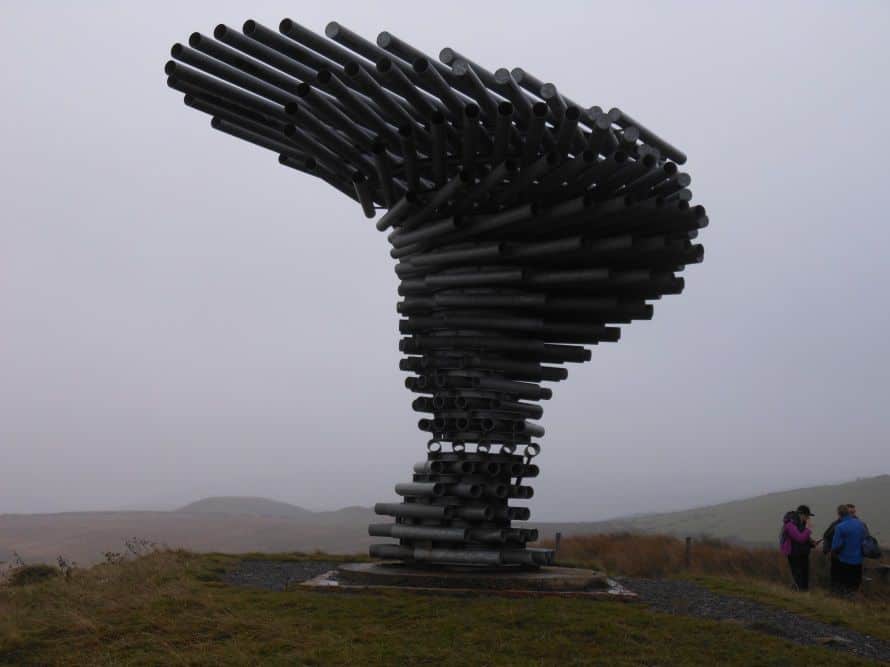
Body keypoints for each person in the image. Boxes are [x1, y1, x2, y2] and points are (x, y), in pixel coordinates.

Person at [831, 506, 867, 593]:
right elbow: (865, 540)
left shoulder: (839, 527)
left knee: (845, 586)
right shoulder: (860, 524)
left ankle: (845, 603)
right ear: (848, 513)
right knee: (855, 586)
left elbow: (835, 546)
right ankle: (854, 602)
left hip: (845, 560)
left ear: (839, 514)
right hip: (858, 560)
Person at [781, 505, 818, 591]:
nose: (808, 518)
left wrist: (812, 543)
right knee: (798, 576)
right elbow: (800, 538)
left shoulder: (801, 524)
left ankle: (804, 593)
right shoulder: (790, 524)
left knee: (805, 575)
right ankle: (798, 594)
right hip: (794, 554)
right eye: (807, 515)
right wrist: (808, 529)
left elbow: (804, 538)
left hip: (803, 554)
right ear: (801, 514)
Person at [823, 504, 849, 591]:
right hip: (839, 556)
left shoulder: (836, 524)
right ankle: (838, 594)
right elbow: (826, 536)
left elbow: (826, 536)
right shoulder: (836, 524)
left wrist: (826, 550)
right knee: (839, 577)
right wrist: (827, 550)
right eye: (851, 512)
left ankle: (837, 594)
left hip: (844, 556)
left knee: (840, 578)